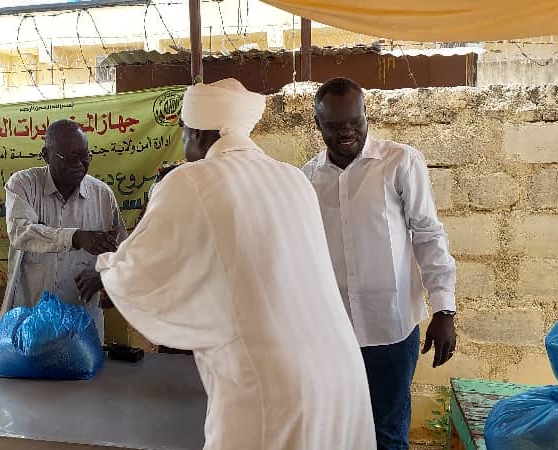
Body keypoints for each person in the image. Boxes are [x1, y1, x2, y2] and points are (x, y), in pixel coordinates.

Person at [95, 78, 376, 450]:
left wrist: (107, 273)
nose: (183, 143)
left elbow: (141, 268)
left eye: (183, 132)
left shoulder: (193, 179)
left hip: (271, 383)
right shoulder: (292, 177)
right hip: (341, 372)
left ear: (198, 132)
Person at [302, 77, 458, 450]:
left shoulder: (400, 162)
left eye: (355, 122)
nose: (347, 133)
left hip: (391, 328)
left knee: (387, 433)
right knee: (338, 432)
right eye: (335, 125)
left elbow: (428, 235)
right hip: (335, 331)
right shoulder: (308, 177)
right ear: (317, 123)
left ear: (366, 115)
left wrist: (444, 309)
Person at [1, 119, 127, 339]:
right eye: (68, 157)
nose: (78, 164)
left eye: (84, 156)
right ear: (46, 155)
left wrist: (105, 278)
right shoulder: (23, 185)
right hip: (32, 320)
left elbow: (123, 252)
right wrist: (76, 237)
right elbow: (21, 233)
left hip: (82, 324)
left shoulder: (102, 195)